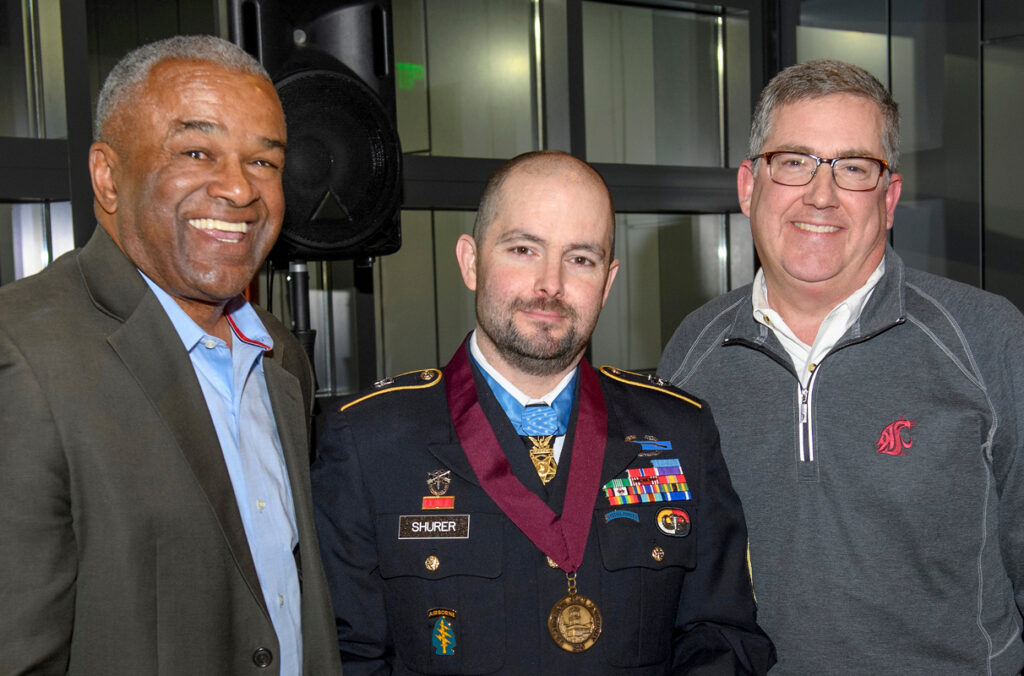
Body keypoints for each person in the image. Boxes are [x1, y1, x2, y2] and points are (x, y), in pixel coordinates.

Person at [312, 150, 775, 674]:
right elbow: (346, 657)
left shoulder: (680, 431)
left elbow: (723, 634)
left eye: (581, 258)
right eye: (524, 249)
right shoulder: (368, 440)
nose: (550, 284)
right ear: (470, 261)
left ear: (608, 280)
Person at [658, 59, 1024, 674]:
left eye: (853, 168)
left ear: (889, 198)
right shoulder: (692, 351)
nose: (820, 195)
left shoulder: (988, 339)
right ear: (750, 187)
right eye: (795, 162)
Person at [0, 36, 341, 675]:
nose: (240, 190)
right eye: (195, 152)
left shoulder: (279, 356)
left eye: (264, 163)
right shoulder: (22, 354)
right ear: (107, 175)